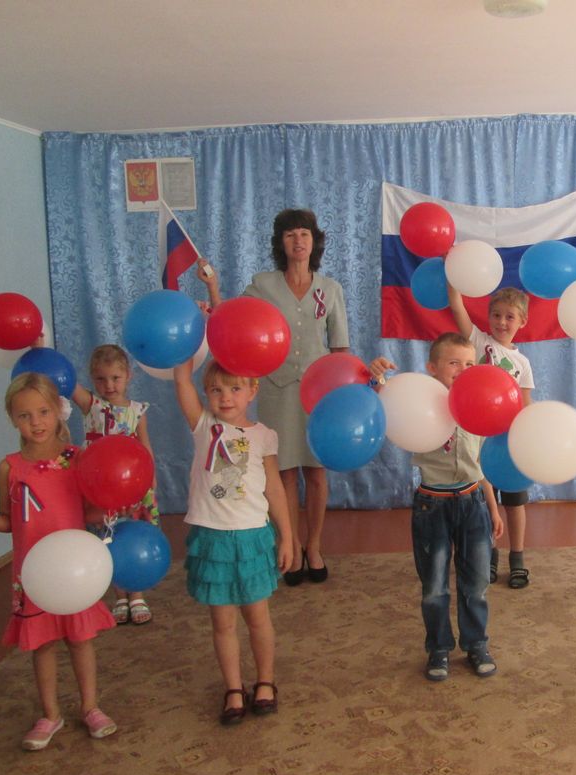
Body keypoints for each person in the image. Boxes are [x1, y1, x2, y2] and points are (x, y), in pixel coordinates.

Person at [0, 373, 117, 750]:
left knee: (80, 639)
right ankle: (50, 714)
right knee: (42, 645)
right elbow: (8, 521)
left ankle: (91, 707)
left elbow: (89, 512)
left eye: (43, 412)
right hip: (33, 575)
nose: (36, 422)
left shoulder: (76, 459)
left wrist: (112, 503)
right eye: (25, 415)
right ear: (12, 419)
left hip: (74, 572)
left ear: (58, 411)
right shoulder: (9, 467)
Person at [197, 208, 348, 586]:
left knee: (316, 472)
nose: (298, 241)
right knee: (283, 473)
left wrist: (345, 391)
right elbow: (233, 318)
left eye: (305, 234)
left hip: (319, 393)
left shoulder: (330, 289)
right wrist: (213, 288)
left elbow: (340, 348)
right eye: (290, 234)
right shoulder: (263, 285)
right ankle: (291, 546)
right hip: (277, 389)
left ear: (314, 242)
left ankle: (314, 546)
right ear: (281, 243)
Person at [369, 333, 504, 680]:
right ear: (432, 367)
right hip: (433, 506)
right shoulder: (420, 401)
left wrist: (492, 508)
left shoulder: (477, 404)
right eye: (454, 363)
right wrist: (377, 379)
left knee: (476, 582)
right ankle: (439, 648)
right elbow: (387, 404)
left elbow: (482, 464)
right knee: (434, 586)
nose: (463, 369)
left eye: (469, 363)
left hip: (473, 502)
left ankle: (476, 644)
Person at [172, 357, 296, 724]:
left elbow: (275, 488)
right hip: (213, 541)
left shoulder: (264, 435)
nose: (225, 397)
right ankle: (232, 688)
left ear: (253, 391)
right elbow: (182, 383)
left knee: (257, 617)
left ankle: (265, 681)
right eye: (216, 390)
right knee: (223, 623)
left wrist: (288, 537)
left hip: (252, 537)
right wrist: (186, 351)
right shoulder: (203, 425)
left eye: (235, 388)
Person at [447, 283, 534, 588]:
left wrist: (525, 438)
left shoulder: (522, 363)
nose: (501, 322)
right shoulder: (478, 341)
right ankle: (490, 554)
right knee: (485, 502)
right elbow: (456, 307)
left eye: (510, 317)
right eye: (496, 315)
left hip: (508, 442)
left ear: (522, 321)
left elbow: (525, 403)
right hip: (479, 439)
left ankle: (517, 556)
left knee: (515, 501)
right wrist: (453, 276)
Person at [71, 344, 159, 625]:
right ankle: (120, 594)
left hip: (131, 485)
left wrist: (151, 478)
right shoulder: (92, 405)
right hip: (100, 487)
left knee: (132, 532)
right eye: (100, 379)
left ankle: (137, 594)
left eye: (115, 378)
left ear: (128, 376)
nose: (108, 385)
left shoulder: (138, 410)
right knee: (108, 536)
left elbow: (145, 446)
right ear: (92, 379)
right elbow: (68, 383)